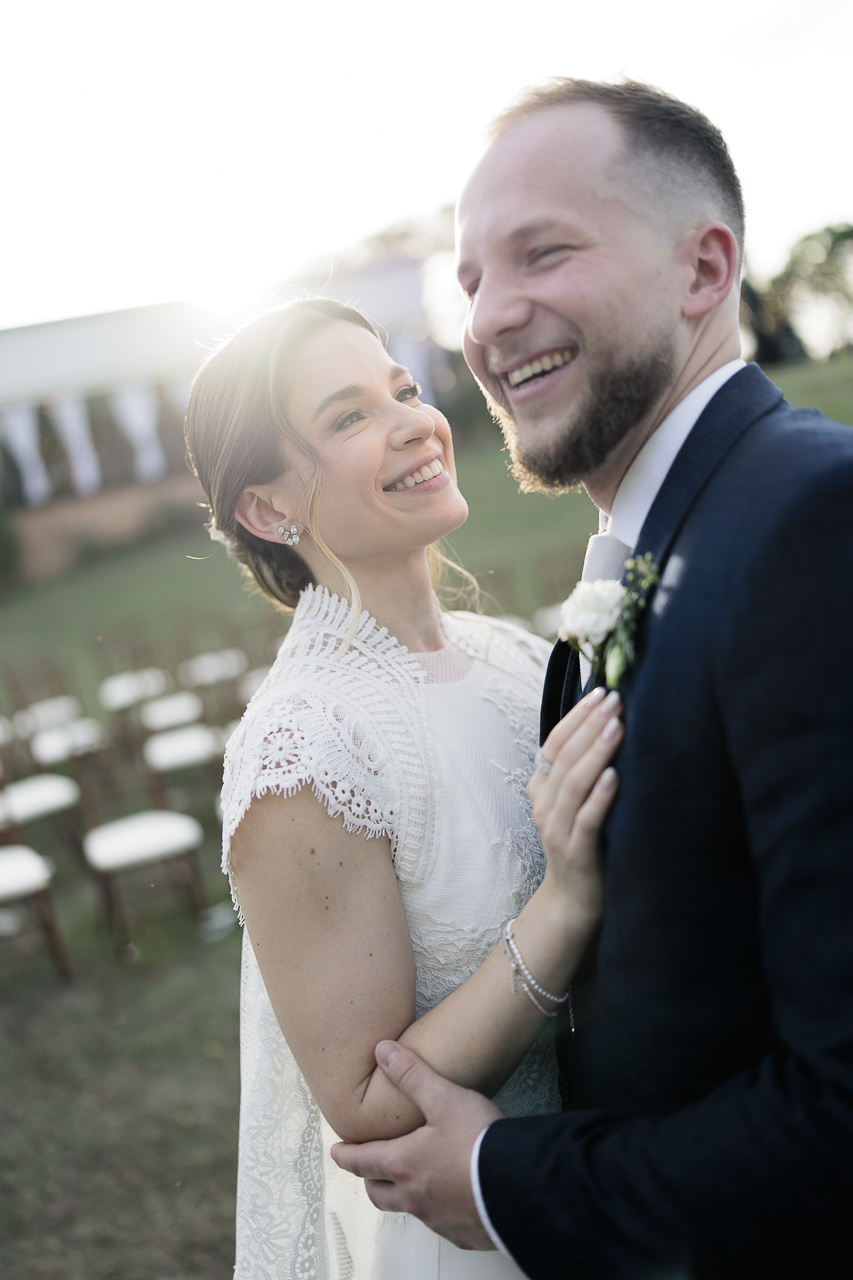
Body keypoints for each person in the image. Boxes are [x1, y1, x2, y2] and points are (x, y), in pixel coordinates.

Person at [332, 80, 853, 1278]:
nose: (489, 318)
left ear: (703, 269)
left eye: (543, 252)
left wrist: (504, 1176)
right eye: (467, 280)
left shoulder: (811, 519)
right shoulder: (675, 533)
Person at [183, 297, 625, 1280]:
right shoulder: (302, 744)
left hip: (600, 1180)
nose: (414, 422)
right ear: (266, 507)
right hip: (462, 1237)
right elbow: (364, 1100)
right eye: (346, 417)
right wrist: (564, 904)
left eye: (402, 388)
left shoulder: (513, 659)